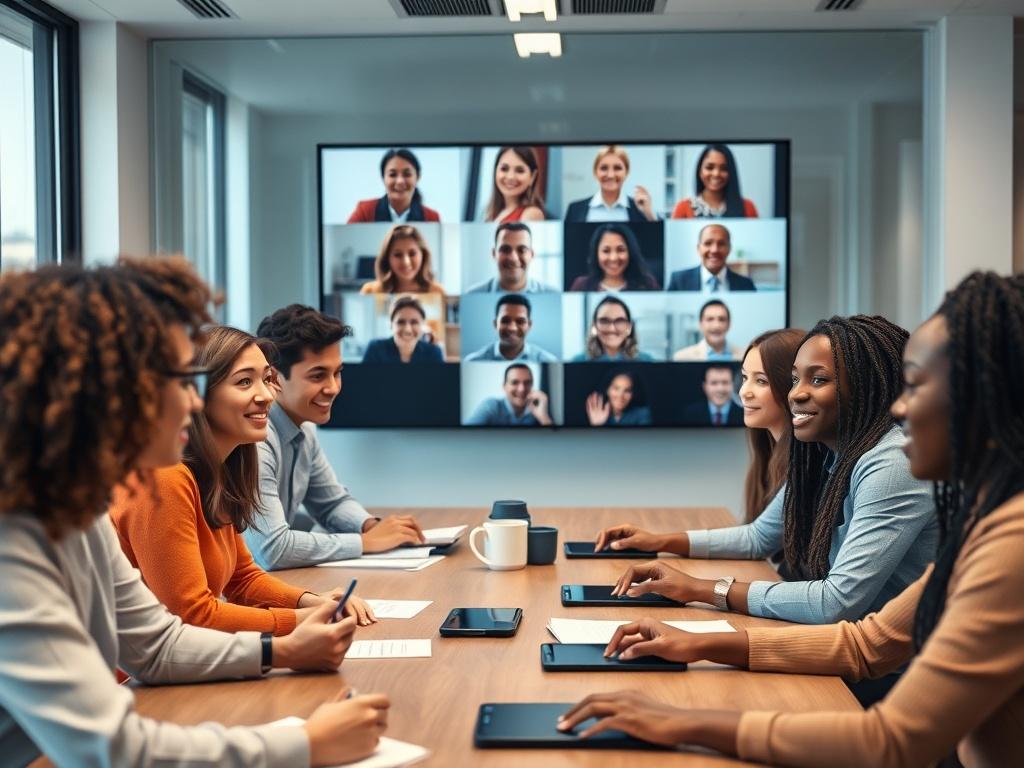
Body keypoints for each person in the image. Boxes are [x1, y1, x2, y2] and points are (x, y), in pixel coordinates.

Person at [563, 273, 1024, 768]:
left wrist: (682, 720)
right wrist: (700, 643)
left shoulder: (1005, 540)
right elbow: (865, 644)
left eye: (915, 386)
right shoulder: (987, 520)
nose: (900, 407)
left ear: (983, 397)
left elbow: (890, 740)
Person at [0, 257, 388, 768]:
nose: (193, 401)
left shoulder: (81, 510)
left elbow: (156, 646)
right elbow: (112, 749)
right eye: (182, 381)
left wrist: (282, 652)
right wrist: (305, 745)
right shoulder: (14, 542)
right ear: (112, 390)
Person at [596, 316, 938, 640]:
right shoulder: (828, 454)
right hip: (846, 646)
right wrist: (658, 542)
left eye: (817, 379)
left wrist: (702, 588)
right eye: (794, 380)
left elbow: (835, 602)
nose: (796, 394)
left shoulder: (892, 465)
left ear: (866, 388)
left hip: (892, 671)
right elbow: (760, 537)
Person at [110, 325, 377, 631]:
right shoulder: (164, 477)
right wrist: (298, 621)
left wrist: (313, 602)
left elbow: (242, 578)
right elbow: (190, 616)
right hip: (123, 676)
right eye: (244, 382)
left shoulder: (219, 470)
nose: (266, 396)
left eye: (266, 379)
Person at [245, 305, 425, 570]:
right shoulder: (255, 440)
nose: (333, 387)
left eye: (337, 372)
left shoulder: (303, 429)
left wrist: (373, 527)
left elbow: (331, 504)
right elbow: (272, 549)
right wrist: (366, 542)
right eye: (318, 375)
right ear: (273, 378)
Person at [738, 329, 807, 523]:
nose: (744, 392)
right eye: (744, 377)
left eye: (761, 381)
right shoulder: (769, 453)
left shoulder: (805, 464)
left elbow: (757, 540)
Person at [564, 145, 658, 223]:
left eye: (617, 168)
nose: (610, 175)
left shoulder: (640, 210)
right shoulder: (575, 209)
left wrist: (649, 214)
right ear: (595, 172)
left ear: (626, 173)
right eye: (604, 168)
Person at [347, 147, 441, 223]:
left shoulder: (431, 217)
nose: (400, 181)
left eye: (407, 174)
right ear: (383, 178)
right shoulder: (365, 211)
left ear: (417, 178)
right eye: (392, 175)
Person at [465, 222, 558, 293]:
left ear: (532, 254)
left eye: (522, 250)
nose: (513, 258)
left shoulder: (554, 293)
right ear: (494, 254)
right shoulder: (471, 293)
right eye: (505, 249)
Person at [671, 143, 759, 218]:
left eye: (724, 168)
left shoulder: (747, 207)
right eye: (709, 167)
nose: (716, 174)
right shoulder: (682, 208)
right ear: (700, 171)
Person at [464, 293, 557, 362]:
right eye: (505, 321)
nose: (512, 328)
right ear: (495, 324)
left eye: (520, 321)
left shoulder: (549, 360)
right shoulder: (473, 360)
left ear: (529, 325)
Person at [568, 223, 660, 291]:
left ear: (630, 252)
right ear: (596, 253)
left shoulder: (648, 284)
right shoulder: (581, 285)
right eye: (606, 251)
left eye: (620, 250)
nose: (613, 258)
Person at [667, 223, 756, 292]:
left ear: (729, 249)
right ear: (698, 248)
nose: (714, 250)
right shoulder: (678, 281)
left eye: (721, 244)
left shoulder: (746, 285)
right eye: (708, 243)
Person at [359, 224, 444, 294]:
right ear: (387, 258)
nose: (406, 262)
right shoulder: (369, 291)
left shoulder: (438, 291)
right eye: (398, 255)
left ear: (423, 255)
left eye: (412, 254)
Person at [572, 295, 655, 362]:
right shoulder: (577, 361)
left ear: (629, 328)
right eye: (604, 321)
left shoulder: (647, 361)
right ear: (595, 326)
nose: (611, 328)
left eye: (619, 321)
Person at [363, 296, 444, 363]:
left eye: (414, 322)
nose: (407, 329)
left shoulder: (434, 353)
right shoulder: (375, 349)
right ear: (391, 324)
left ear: (422, 325)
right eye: (400, 322)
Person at [465, 363, 552, 426]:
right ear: (504, 386)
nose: (522, 389)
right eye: (515, 383)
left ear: (532, 385)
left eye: (527, 383)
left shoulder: (538, 409)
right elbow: (465, 434)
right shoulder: (492, 406)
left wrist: (543, 417)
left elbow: (553, 443)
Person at [483, 146, 546, 223]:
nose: (510, 177)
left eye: (519, 170)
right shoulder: (491, 214)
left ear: (532, 177)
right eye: (504, 169)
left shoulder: (531, 214)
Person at [673, 299, 743, 361]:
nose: (716, 326)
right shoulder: (682, 358)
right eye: (710, 319)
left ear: (729, 324)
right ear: (700, 324)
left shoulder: (744, 357)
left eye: (721, 319)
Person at [586, 370, 652, 427]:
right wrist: (597, 425)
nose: (620, 395)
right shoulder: (596, 414)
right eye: (616, 388)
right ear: (607, 390)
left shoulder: (642, 414)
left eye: (627, 391)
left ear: (633, 394)